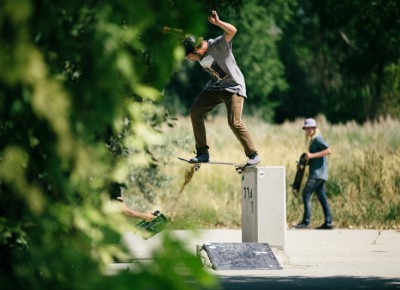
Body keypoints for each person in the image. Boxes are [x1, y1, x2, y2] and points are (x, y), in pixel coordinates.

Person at [182, 10, 260, 166]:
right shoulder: (198, 52)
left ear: (196, 51)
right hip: (215, 87)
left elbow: (233, 31)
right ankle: (203, 153)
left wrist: (218, 23)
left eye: (190, 57)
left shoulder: (218, 45)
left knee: (234, 122)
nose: (190, 60)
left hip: (233, 88)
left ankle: (253, 154)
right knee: (195, 111)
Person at [294, 118, 333, 230]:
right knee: (322, 198)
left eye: (310, 128)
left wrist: (311, 155)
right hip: (321, 174)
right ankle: (328, 222)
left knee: (306, 195)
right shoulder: (313, 140)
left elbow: (328, 150)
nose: (308, 130)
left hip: (317, 174)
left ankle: (306, 222)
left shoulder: (317, 139)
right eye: (306, 128)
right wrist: (303, 162)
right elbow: (314, 157)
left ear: (315, 128)